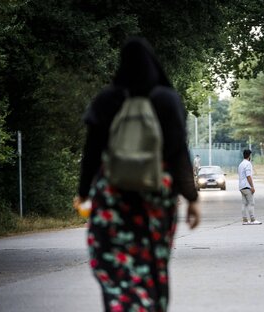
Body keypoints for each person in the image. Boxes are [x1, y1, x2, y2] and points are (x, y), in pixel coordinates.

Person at [74, 37, 200, 312]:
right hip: (157, 193)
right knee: (153, 257)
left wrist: (83, 193)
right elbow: (179, 152)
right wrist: (191, 198)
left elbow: (92, 151)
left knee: (113, 257)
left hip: (113, 194)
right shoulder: (166, 99)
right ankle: (152, 303)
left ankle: (121, 303)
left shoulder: (108, 99)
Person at [238, 149, 262, 225]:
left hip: (241, 186)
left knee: (244, 203)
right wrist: (252, 186)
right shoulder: (248, 164)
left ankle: (245, 220)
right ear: (249, 156)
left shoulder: (241, 164)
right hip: (247, 186)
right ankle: (252, 219)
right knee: (251, 203)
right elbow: (248, 176)